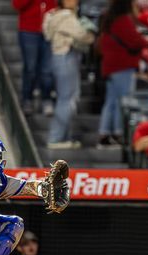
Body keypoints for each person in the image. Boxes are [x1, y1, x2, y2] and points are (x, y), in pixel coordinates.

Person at [43, 0, 95, 149]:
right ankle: (55, 137)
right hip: (66, 56)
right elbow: (85, 36)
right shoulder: (65, 16)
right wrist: (90, 29)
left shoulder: (53, 14)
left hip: (62, 56)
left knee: (69, 98)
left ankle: (63, 137)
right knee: (66, 99)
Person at [98, 0, 148, 148]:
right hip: (122, 66)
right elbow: (135, 41)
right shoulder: (122, 20)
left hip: (111, 67)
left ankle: (105, 133)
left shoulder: (109, 19)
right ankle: (118, 133)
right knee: (123, 102)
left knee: (111, 101)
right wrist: (146, 42)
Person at [12, 0, 56, 116]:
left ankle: (46, 98)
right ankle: (27, 99)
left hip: (49, 31)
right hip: (28, 30)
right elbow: (17, 5)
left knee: (47, 70)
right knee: (30, 68)